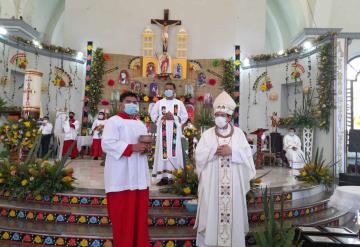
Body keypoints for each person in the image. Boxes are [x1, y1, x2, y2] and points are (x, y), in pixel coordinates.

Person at [195, 91, 256, 247]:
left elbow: (248, 157)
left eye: (223, 115)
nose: (219, 117)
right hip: (212, 184)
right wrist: (212, 151)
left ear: (229, 117)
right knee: (211, 211)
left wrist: (233, 152)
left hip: (233, 185)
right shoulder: (207, 135)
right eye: (217, 114)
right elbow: (199, 156)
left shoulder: (239, 134)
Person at [102, 91, 150, 247]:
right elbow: (107, 143)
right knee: (122, 216)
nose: (132, 105)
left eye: (135, 102)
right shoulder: (113, 121)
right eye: (128, 101)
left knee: (139, 216)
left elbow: (144, 144)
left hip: (139, 177)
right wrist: (132, 147)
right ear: (121, 104)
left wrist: (146, 149)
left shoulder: (140, 123)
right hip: (120, 176)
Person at [150, 82, 188, 185]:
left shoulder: (179, 103)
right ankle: (163, 177)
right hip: (163, 133)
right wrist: (161, 117)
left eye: (170, 89)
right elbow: (153, 114)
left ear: (174, 91)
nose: (168, 90)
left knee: (175, 153)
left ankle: (174, 177)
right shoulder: (159, 103)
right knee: (162, 152)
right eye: (166, 89)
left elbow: (185, 116)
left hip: (175, 133)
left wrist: (174, 117)